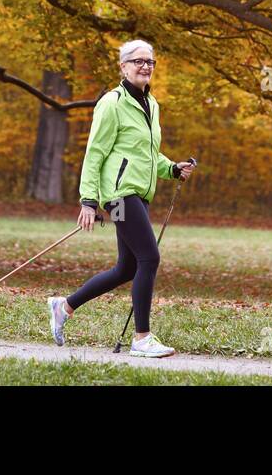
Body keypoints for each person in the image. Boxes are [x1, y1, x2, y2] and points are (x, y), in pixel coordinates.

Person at [47, 39, 194, 357]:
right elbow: (95, 152)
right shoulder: (111, 103)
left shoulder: (151, 105)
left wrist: (171, 168)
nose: (145, 66)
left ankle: (65, 306)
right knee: (150, 258)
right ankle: (142, 338)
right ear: (123, 66)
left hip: (139, 194)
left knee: (127, 268)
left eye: (150, 62)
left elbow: (146, 152)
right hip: (118, 195)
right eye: (138, 61)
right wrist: (88, 200)